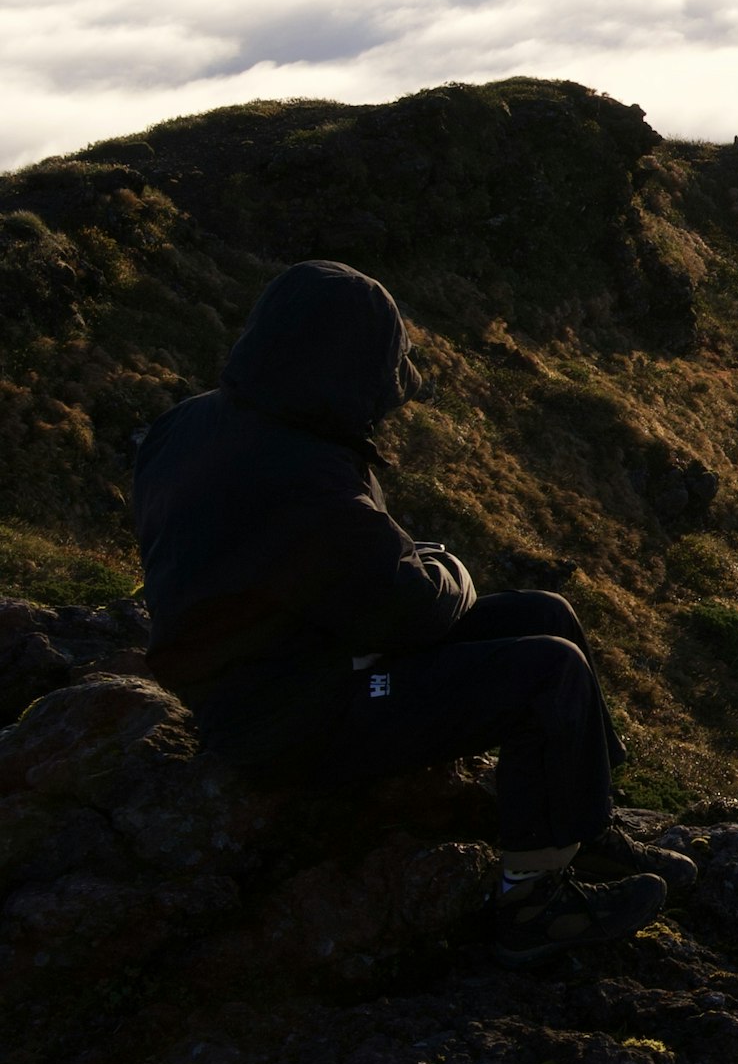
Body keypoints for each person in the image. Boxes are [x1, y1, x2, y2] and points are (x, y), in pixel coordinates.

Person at [132, 261, 664, 965]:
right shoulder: (306, 476)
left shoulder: (195, 422)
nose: (388, 402)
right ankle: (535, 902)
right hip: (290, 718)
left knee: (546, 612)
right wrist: (450, 569)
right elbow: (413, 611)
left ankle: (582, 826)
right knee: (547, 672)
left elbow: (329, 576)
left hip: (288, 666)